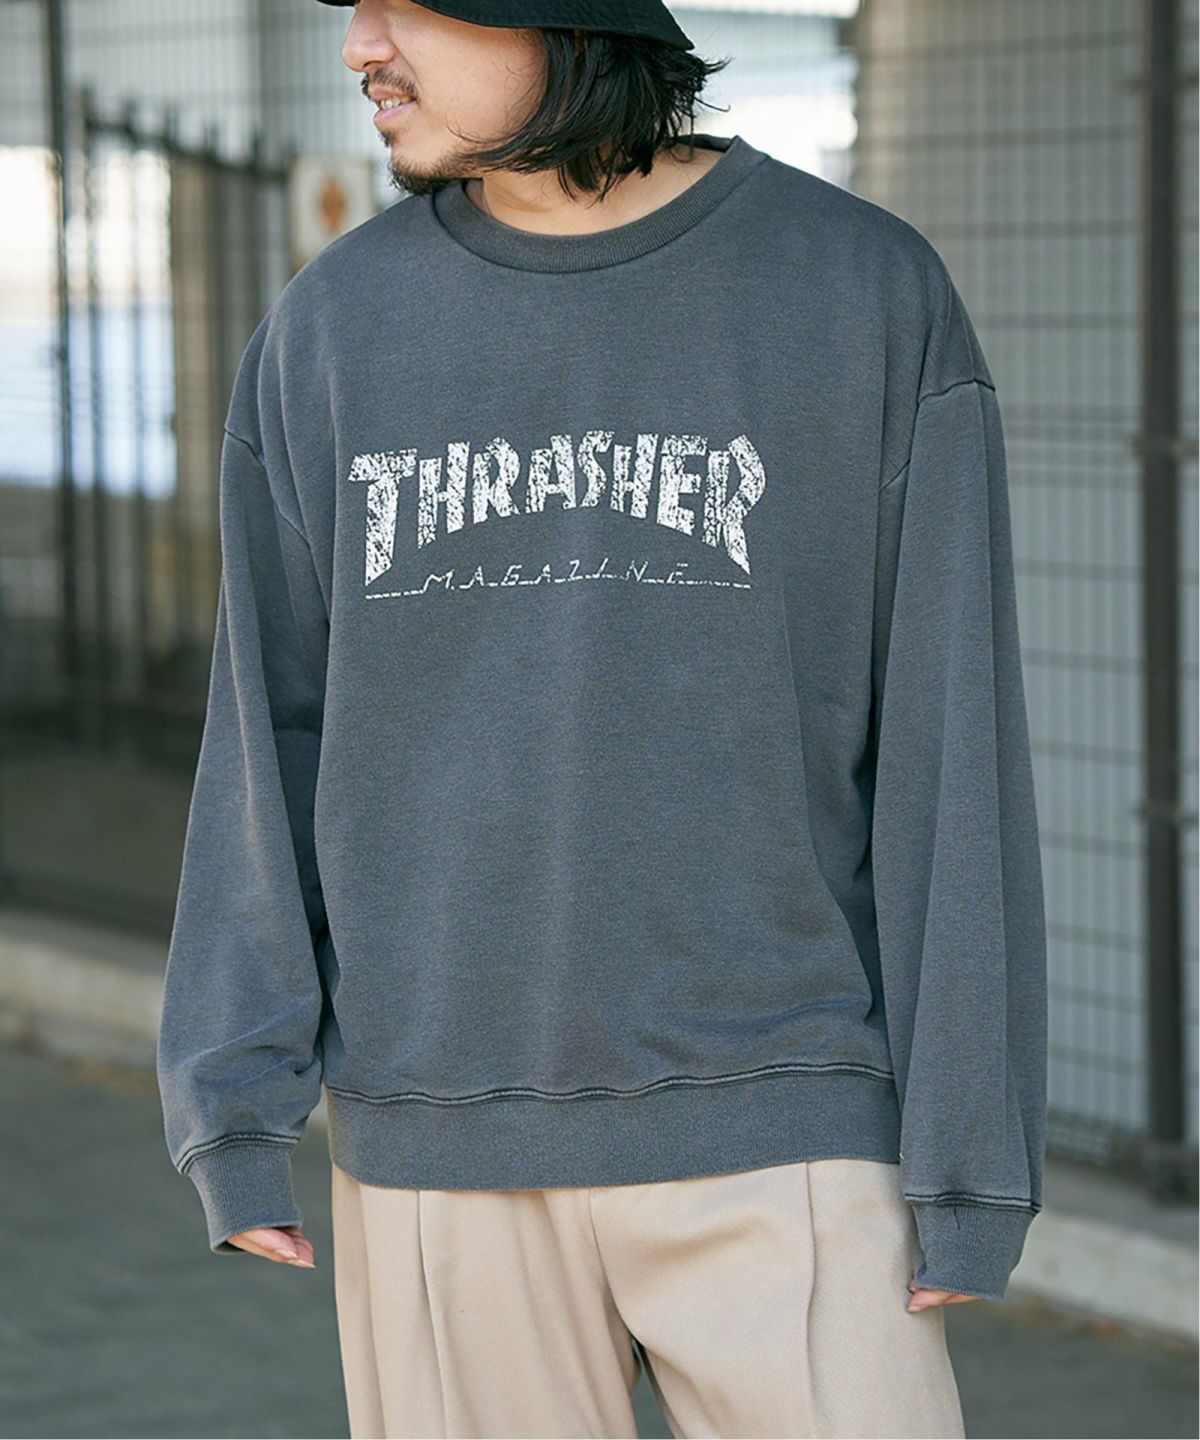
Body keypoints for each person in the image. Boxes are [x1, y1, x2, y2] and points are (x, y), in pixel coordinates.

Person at [155, 1, 1049, 1435]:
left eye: (401, 0)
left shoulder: (858, 292)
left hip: (787, 1121)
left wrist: (969, 1152)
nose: (359, 46)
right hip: (437, 1137)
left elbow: (951, 747)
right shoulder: (331, 326)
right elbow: (269, 736)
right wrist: (233, 1092)